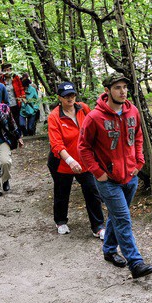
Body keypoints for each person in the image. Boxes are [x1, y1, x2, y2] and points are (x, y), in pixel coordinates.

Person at [78, 74, 152, 279]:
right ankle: (135, 262)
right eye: (117, 88)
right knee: (123, 218)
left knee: (116, 215)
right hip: (108, 180)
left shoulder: (133, 112)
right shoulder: (94, 117)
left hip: (130, 176)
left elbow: (138, 136)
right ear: (107, 90)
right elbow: (83, 147)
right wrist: (98, 172)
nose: (123, 91)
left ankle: (109, 249)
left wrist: (139, 162)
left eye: (125, 87)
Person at [47, 81, 106, 238]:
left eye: (72, 95)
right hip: (62, 163)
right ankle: (60, 221)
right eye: (66, 96)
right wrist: (70, 161)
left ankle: (98, 226)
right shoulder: (54, 117)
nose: (70, 98)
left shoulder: (83, 108)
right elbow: (56, 145)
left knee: (92, 190)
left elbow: (95, 126)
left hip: (84, 160)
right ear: (60, 98)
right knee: (62, 191)